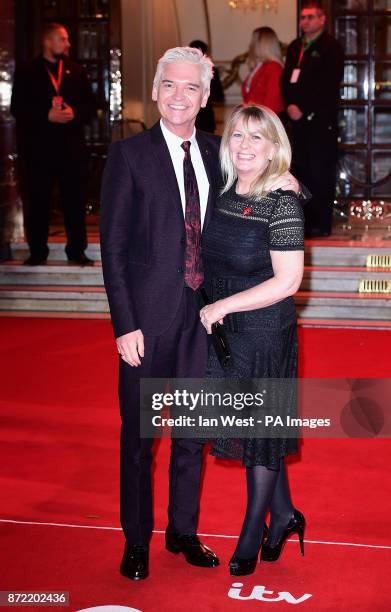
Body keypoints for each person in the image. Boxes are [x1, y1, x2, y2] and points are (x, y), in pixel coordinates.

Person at [99, 47, 302, 581]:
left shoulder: (224, 151)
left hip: (207, 323)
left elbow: (271, 190)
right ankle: (136, 540)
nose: (179, 96)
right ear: (157, 87)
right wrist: (124, 324)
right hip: (145, 322)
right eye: (170, 85)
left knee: (192, 436)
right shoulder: (128, 156)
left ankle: (182, 532)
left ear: (206, 96)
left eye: (191, 87)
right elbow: (113, 248)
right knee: (140, 439)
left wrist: (292, 183)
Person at [200, 104, 306, 576]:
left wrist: (222, 307)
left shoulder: (282, 201)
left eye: (256, 138)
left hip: (263, 329)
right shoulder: (222, 192)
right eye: (237, 136)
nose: (244, 145)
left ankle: (253, 528)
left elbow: (288, 282)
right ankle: (284, 514)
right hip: (226, 329)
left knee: (259, 432)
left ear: (273, 148)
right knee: (252, 427)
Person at [11, 22, 96, 266]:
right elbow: (17, 108)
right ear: (48, 41)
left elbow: (90, 107)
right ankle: (37, 252)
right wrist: (44, 115)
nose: (68, 43)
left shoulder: (76, 71)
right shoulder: (27, 71)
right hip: (38, 151)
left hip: (71, 151)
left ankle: (77, 251)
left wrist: (74, 112)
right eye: (63, 39)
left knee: (74, 202)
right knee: (37, 202)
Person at [281, 0, 344, 237]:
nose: (305, 21)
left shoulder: (331, 47)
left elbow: (328, 85)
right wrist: (289, 105)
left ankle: (322, 224)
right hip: (296, 122)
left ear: (322, 19)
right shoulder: (295, 46)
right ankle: (303, 224)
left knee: (321, 172)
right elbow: (286, 79)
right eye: (302, 17)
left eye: (310, 17)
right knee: (299, 171)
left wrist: (305, 109)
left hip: (319, 122)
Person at [242, 27, 284, 115]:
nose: (250, 45)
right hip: (255, 119)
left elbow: (272, 106)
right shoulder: (260, 66)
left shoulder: (274, 68)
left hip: (265, 122)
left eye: (253, 41)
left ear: (262, 44)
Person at [189, 40, 224, 133]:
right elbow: (219, 96)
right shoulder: (212, 71)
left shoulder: (182, 71)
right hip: (205, 117)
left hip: (191, 116)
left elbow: (219, 96)